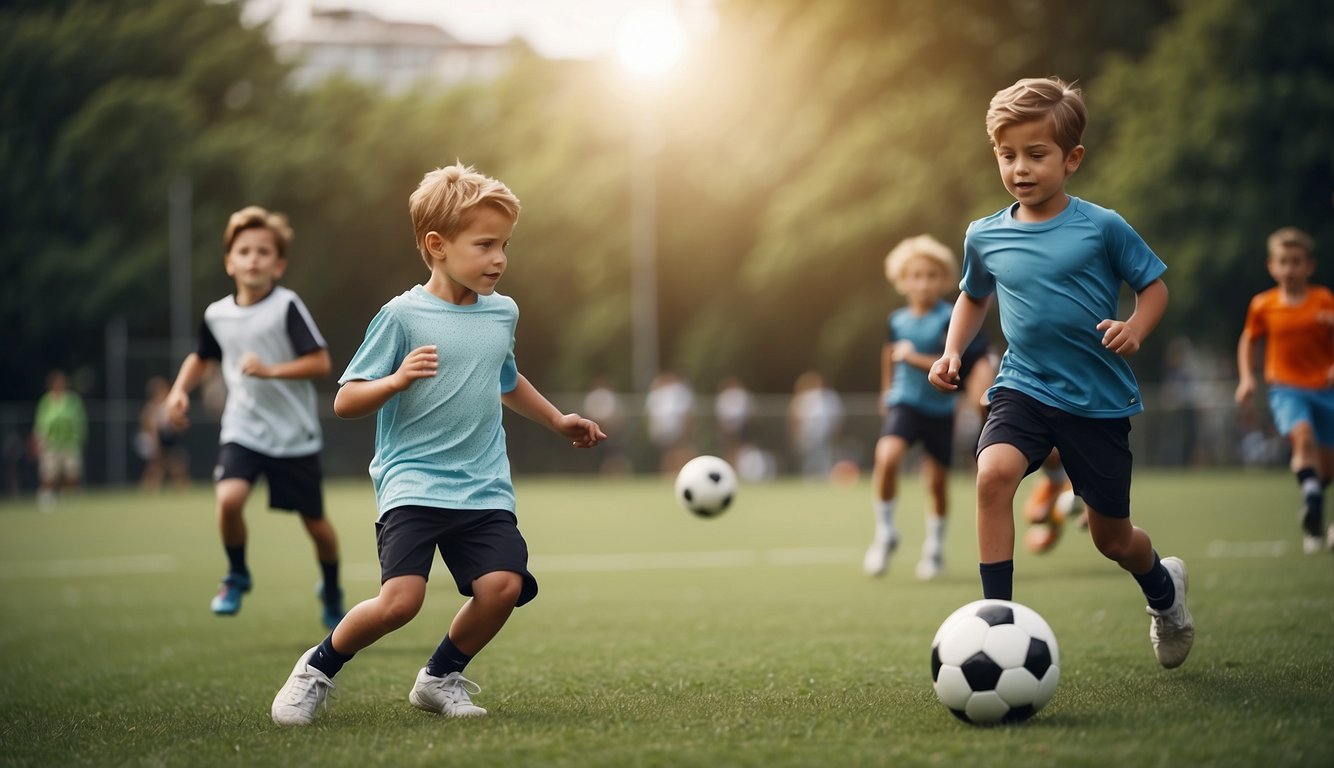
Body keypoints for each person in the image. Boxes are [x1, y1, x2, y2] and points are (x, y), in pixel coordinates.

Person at [271, 163, 606, 727]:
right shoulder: (402, 316)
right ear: (438, 245)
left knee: (502, 586)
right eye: (485, 245)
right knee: (401, 603)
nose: (499, 258)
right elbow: (346, 400)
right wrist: (396, 380)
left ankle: (439, 678)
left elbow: (506, 379)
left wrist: (556, 420)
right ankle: (316, 668)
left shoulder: (503, 312)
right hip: (414, 481)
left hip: (483, 484)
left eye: (505, 245)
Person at [927, 76, 1194, 669]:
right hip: (1023, 384)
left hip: (1096, 399)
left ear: (1071, 159)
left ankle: (1164, 591)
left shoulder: (1102, 226)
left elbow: (1154, 287)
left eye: (1036, 154)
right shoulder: (984, 234)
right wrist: (952, 351)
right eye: (1007, 155)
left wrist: (1135, 327)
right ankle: (997, 621)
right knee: (992, 474)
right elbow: (973, 297)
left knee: (1112, 539)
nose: (1020, 168)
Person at [165, 205, 345, 629]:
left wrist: (271, 369)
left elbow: (321, 362)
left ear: (278, 264)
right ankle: (236, 574)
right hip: (243, 428)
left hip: (293, 435)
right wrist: (177, 391)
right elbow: (202, 356)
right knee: (228, 500)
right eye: (244, 251)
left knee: (317, 527)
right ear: (229, 261)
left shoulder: (286, 307)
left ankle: (333, 588)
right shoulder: (216, 314)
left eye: (264, 252)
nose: (253, 259)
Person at [864, 234, 992, 580]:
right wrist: (886, 388)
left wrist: (914, 358)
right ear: (902, 281)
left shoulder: (951, 318)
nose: (924, 283)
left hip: (939, 410)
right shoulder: (896, 320)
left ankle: (934, 550)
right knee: (887, 457)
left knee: (936, 484)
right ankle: (885, 533)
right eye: (916, 275)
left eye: (932, 275)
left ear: (946, 280)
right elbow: (890, 353)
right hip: (904, 404)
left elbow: (956, 364)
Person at [1235, 226, 1334, 554]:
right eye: (1284, 262)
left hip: (1325, 390)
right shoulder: (1263, 305)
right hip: (1286, 389)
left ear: (1309, 266)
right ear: (1272, 266)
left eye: (1296, 262)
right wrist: (1248, 379)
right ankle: (1313, 499)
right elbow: (1249, 341)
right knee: (1302, 437)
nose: (1290, 269)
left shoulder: (1324, 301)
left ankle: (1313, 509)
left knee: (1326, 467)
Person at [33, 369, 87, 511]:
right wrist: (40, 440)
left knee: (71, 472)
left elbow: (79, 420)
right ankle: (46, 497)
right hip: (51, 444)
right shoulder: (46, 401)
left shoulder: (72, 400)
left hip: (69, 443)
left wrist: (78, 437)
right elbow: (41, 423)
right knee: (49, 472)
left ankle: (66, 496)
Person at [788, 370, 844, 480]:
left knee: (825, 459)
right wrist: (797, 434)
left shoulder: (830, 397)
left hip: (825, 435)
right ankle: (809, 479)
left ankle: (823, 478)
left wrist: (836, 433)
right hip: (808, 435)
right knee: (809, 461)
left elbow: (836, 419)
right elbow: (797, 417)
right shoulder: (804, 398)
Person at [137, 375, 189, 493]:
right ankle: (149, 489)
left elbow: (175, 425)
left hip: (168, 440)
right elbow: (149, 426)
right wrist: (155, 443)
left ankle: (180, 488)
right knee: (157, 466)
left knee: (175, 465)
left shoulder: (167, 405)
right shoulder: (151, 408)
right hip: (157, 440)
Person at [645, 370, 695, 475]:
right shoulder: (657, 392)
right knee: (667, 453)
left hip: (677, 428)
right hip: (664, 429)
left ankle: (683, 472)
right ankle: (668, 475)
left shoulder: (679, 391)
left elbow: (686, 412)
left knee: (680, 450)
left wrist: (685, 427)